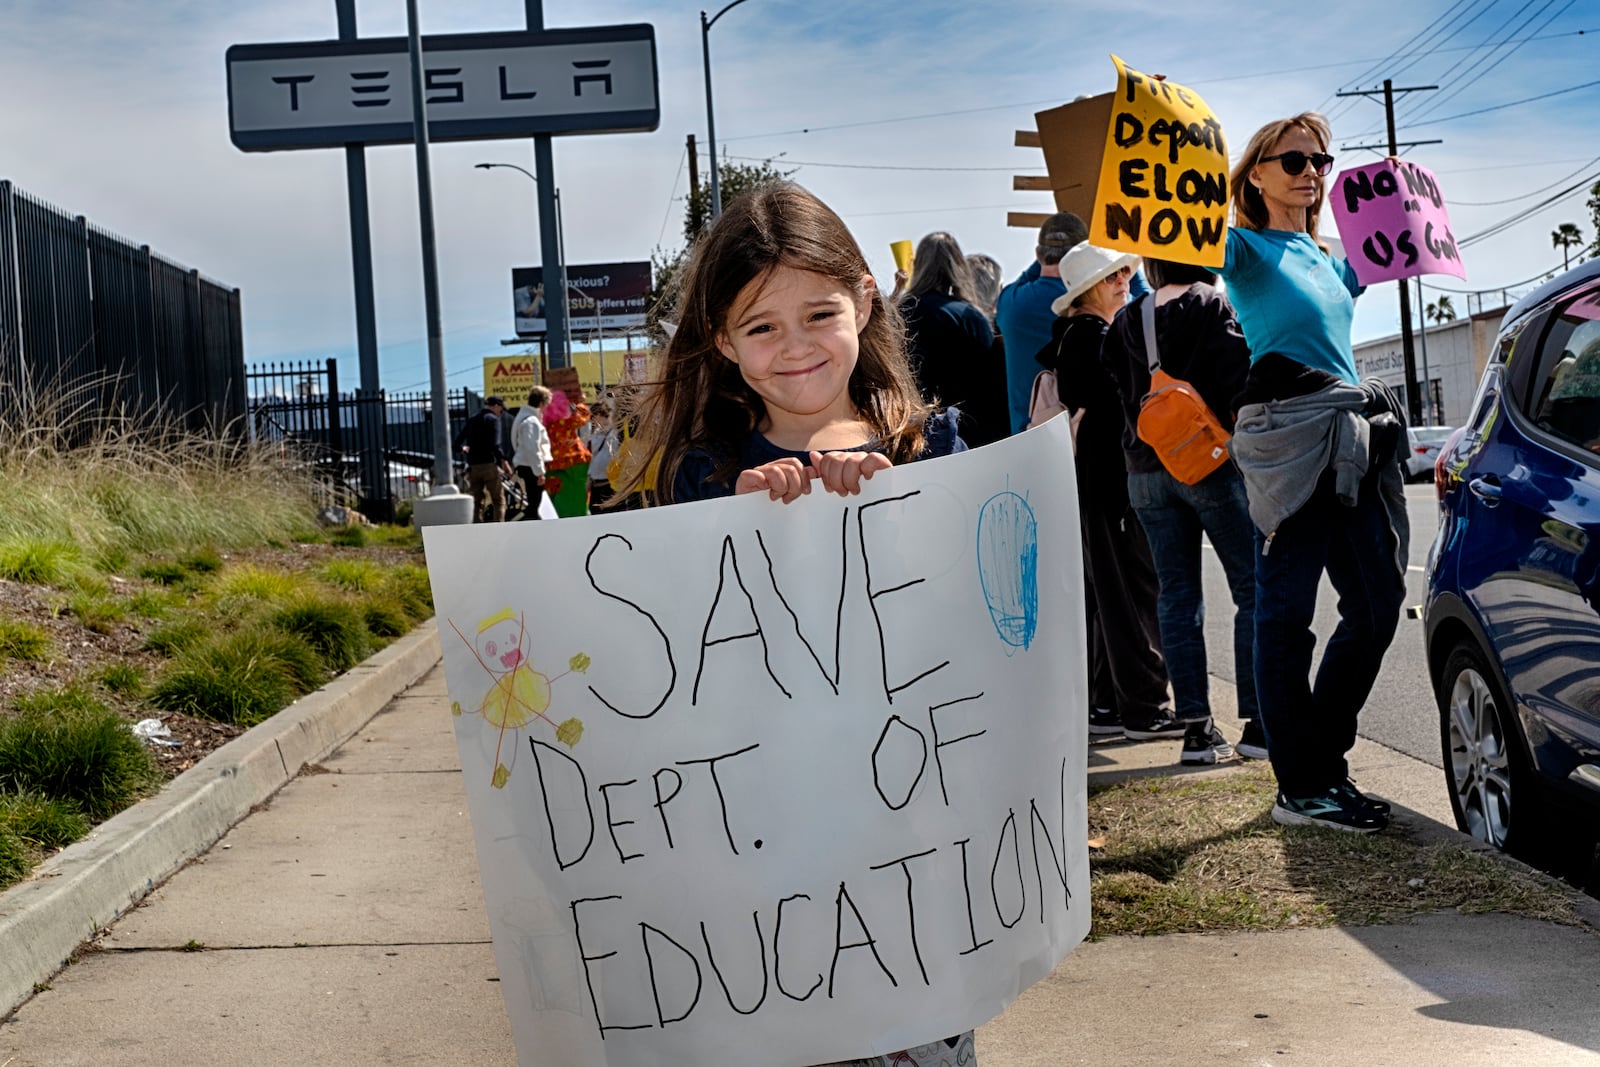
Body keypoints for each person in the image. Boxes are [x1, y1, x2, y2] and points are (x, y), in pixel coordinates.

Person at [610, 181, 971, 1067]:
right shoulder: (702, 475)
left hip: (915, 855)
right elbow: (665, 674)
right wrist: (728, 533)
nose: (795, 346)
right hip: (762, 865)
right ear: (724, 341)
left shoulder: (936, 451)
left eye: (818, 313)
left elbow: (980, 634)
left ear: (865, 299)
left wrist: (904, 508)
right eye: (762, 327)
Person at [1221, 112, 1409, 832]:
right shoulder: (1244, 250)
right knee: (1286, 614)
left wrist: (1391, 189)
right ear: (1256, 173)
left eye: (1320, 160)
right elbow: (1171, 229)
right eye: (1293, 159)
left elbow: (1386, 249)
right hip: (1288, 434)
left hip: (1348, 436)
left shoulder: (1325, 258)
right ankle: (1301, 786)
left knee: (1378, 600)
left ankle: (1322, 761)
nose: (1311, 172)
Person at [1039, 243, 1211, 758]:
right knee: (1135, 594)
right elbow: (1119, 404)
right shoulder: (1091, 336)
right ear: (1085, 291)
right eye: (1112, 275)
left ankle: (1112, 704)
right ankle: (1146, 709)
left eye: (1125, 271)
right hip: (1111, 480)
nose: (1124, 280)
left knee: (1114, 593)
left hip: (1100, 480)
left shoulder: (1078, 336)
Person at [1099, 256, 1263, 762]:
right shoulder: (1212, 305)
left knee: (1176, 596)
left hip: (1144, 472)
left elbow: (1117, 384)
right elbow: (1242, 383)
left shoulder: (1128, 318)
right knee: (1251, 587)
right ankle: (1258, 723)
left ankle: (1195, 728)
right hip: (1207, 464)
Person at [897, 232, 1008, 447]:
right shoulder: (968, 316)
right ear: (958, 266)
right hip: (966, 432)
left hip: (911, 430)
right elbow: (994, 381)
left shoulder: (898, 313)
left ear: (918, 265)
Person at [996, 212, 1087, 435]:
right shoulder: (1093, 300)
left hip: (1026, 437)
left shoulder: (1011, 303)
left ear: (1038, 254)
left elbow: (1026, 277)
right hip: (1084, 437)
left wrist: (1046, 254)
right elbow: (1138, 295)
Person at [456, 396, 513, 523]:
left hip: (473, 466)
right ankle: (498, 529)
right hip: (488, 464)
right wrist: (504, 461)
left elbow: (456, 443)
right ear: (496, 406)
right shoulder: (493, 420)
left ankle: (478, 529)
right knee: (498, 500)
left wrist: (464, 449)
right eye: (501, 410)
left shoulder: (472, 420)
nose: (501, 413)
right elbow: (496, 445)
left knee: (477, 500)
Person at [542, 388, 592, 517]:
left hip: (552, 467)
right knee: (577, 499)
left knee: (560, 501)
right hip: (575, 463)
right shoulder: (566, 424)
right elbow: (584, 415)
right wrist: (579, 402)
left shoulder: (547, 428)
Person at [510, 385, 553, 521]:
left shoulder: (522, 418)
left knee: (533, 505)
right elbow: (533, 448)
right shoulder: (531, 421)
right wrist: (539, 472)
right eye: (546, 404)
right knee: (534, 505)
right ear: (541, 403)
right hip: (531, 468)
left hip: (526, 466)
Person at [586, 399, 619, 508]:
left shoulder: (615, 433)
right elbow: (593, 457)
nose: (592, 421)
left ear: (599, 414)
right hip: (596, 484)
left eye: (593, 417)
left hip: (610, 485)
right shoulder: (595, 433)